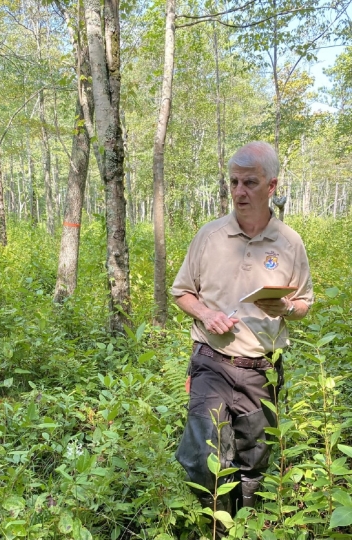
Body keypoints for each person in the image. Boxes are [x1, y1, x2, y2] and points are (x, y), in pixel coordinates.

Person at [171, 141, 313, 525]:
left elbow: (303, 304)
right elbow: (182, 291)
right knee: (202, 457)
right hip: (211, 363)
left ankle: (246, 529)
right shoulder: (210, 236)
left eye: (250, 182)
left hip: (260, 370)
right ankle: (216, 527)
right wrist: (205, 313)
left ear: (272, 186)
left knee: (254, 462)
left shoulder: (289, 243)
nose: (238, 192)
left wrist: (284, 307)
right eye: (233, 182)